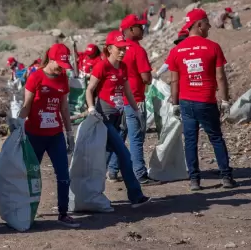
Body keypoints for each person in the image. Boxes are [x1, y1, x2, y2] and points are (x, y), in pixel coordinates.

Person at [166, 8, 237, 191]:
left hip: (186, 102)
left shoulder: (176, 50)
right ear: (198, 25)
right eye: (206, 22)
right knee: (216, 138)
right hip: (206, 101)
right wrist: (225, 100)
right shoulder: (212, 47)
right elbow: (220, 77)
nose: (209, 26)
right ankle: (227, 177)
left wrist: (175, 104)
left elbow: (174, 80)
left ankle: (194, 181)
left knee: (190, 140)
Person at [15, 43, 80, 228]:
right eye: (59, 63)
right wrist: (19, 124)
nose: (61, 68)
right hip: (34, 134)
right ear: (50, 59)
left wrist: (69, 133)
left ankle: (63, 213)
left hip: (55, 135)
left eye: (64, 65)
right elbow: (26, 104)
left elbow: (64, 108)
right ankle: (25, 211)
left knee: (63, 174)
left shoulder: (63, 78)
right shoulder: (36, 77)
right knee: (30, 175)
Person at [85, 30, 151, 208]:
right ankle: (136, 196)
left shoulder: (122, 67)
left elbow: (127, 91)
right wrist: (91, 108)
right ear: (109, 49)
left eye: (124, 49)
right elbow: (90, 89)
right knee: (124, 154)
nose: (122, 52)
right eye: (119, 49)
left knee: (104, 157)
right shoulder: (102, 66)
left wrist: (136, 110)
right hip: (104, 118)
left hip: (117, 116)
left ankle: (89, 194)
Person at [107, 14, 160, 185]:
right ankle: (140, 174)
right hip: (134, 99)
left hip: (117, 100)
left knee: (120, 135)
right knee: (136, 137)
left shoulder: (117, 50)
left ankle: (113, 170)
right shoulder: (137, 50)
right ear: (131, 29)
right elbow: (147, 78)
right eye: (140, 26)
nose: (143, 29)